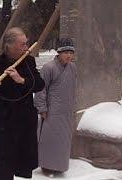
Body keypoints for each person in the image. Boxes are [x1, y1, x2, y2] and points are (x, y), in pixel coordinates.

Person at [0, 27, 45, 180]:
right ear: (9, 46)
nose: (27, 48)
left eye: (27, 43)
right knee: (0, 170)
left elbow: (40, 84)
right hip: (1, 127)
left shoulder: (28, 62)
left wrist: (22, 80)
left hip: (23, 125)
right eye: (22, 44)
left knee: (18, 164)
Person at [34, 38, 77, 176]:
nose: (69, 56)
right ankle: (46, 166)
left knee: (63, 140)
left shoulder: (73, 68)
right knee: (49, 138)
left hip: (66, 110)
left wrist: (73, 106)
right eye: (65, 52)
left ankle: (60, 166)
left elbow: (72, 88)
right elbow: (41, 89)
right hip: (52, 110)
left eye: (71, 52)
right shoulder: (49, 67)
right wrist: (42, 108)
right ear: (59, 53)